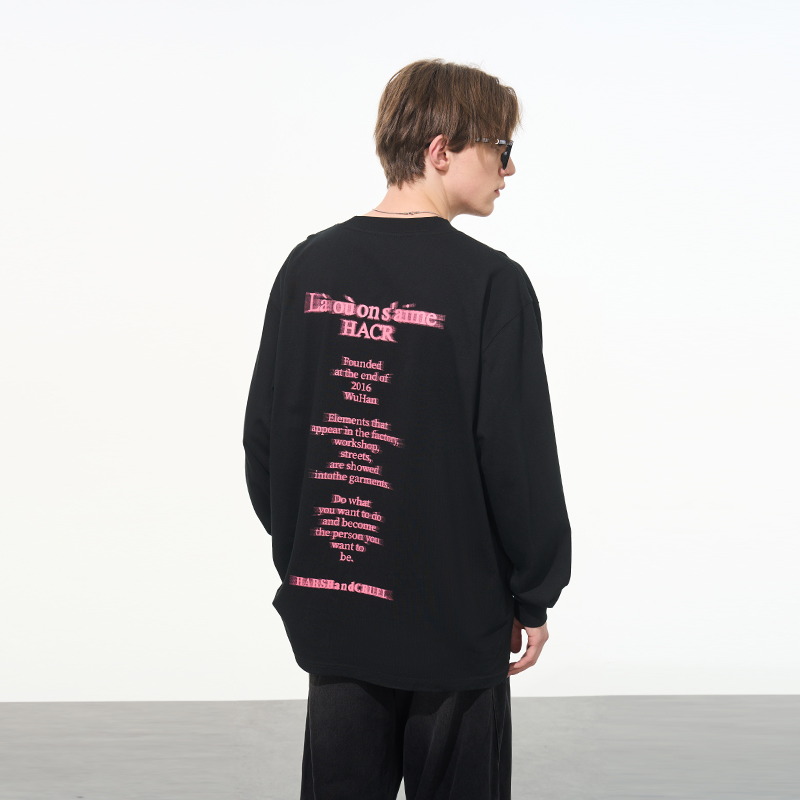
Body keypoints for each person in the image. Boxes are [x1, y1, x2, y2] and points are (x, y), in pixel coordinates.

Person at [243, 57, 572, 800]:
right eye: (501, 149)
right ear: (441, 149)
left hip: (336, 606)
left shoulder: (307, 268)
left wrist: (311, 554)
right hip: (455, 616)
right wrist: (533, 592)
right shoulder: (491, 285)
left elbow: (266, 440)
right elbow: (515, 457)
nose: (509, 170)